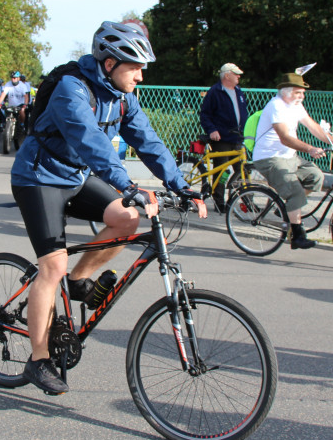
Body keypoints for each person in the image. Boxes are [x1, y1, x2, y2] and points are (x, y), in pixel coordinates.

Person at [11, 20, 207, 395]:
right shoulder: (72, 89)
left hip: (76, 176)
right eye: (135, 68)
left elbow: (147, 141)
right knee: (52, 266)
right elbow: (90, 142)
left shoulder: (122, 97)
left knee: (127, 218)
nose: (140, 76)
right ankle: (38, 359)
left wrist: (180, 185)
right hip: (38, 178)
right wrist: (129, 185)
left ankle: (78, 280)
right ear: (110, 64)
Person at [251, 70, 333, 249]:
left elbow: (313, 127)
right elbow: (285, 138)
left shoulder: (295, 105)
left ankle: (288, 209)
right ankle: (297, 236)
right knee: (295, 192)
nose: (302, 96)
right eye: (298, 92)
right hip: (269, 158)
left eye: (303, 92)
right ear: (286, 92)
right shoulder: (276, 106)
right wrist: (310, 149)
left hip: (289, 156)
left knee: (315, 177)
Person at [199, 62, 250, 209]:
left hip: (237, 136)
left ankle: (247, 201)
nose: (239, 76)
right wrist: (212, 130)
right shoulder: (215, 91)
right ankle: (219, 202)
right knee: (221, 170)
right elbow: (205, 114)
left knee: (243, 169)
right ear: (227, 75)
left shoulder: (238, 91)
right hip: (222, 138)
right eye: (236, 74)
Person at [0, 70, 31, 137]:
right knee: (5, 113)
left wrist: (25, 105)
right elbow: (3, 94)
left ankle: (22, 124)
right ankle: (7, 127)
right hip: (11, 105)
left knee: (22, 111)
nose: (13, 79)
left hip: (20, 104)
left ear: (18, 78)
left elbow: (26, 97)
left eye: (15, 78)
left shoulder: (23, 86)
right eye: (12, 78)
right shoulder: (8, 84)